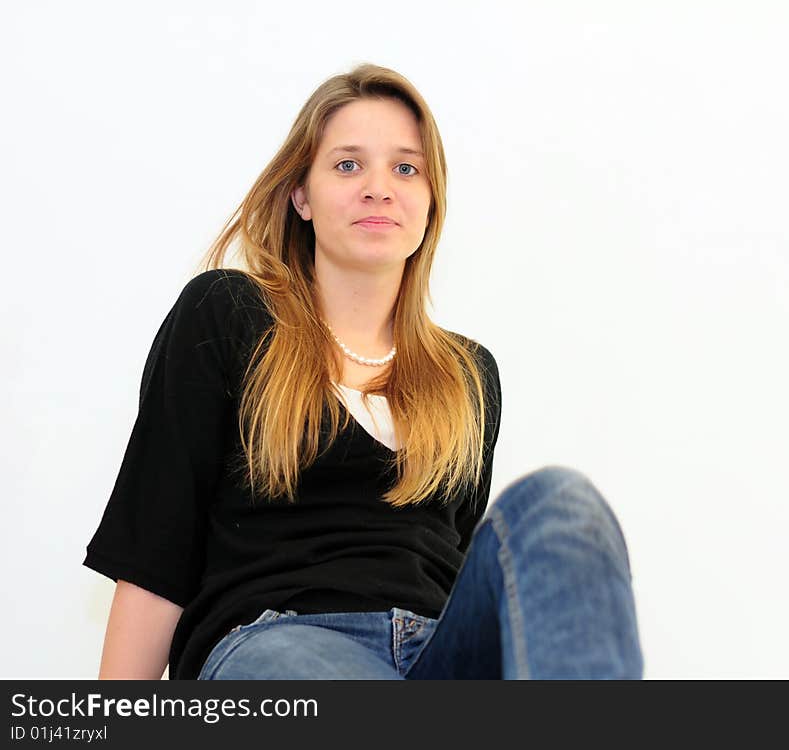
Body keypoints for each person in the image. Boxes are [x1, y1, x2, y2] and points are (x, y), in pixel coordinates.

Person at [83, 63, 644, 680]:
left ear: (430, 204)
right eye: (348, 165)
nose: (379, 188)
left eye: (406, 168)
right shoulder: (228, 316)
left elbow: (456, 570)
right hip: (282, 640)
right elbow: (155, 553)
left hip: (439, 652)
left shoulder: (467, 377)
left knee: (561, 501)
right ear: (302, 195)